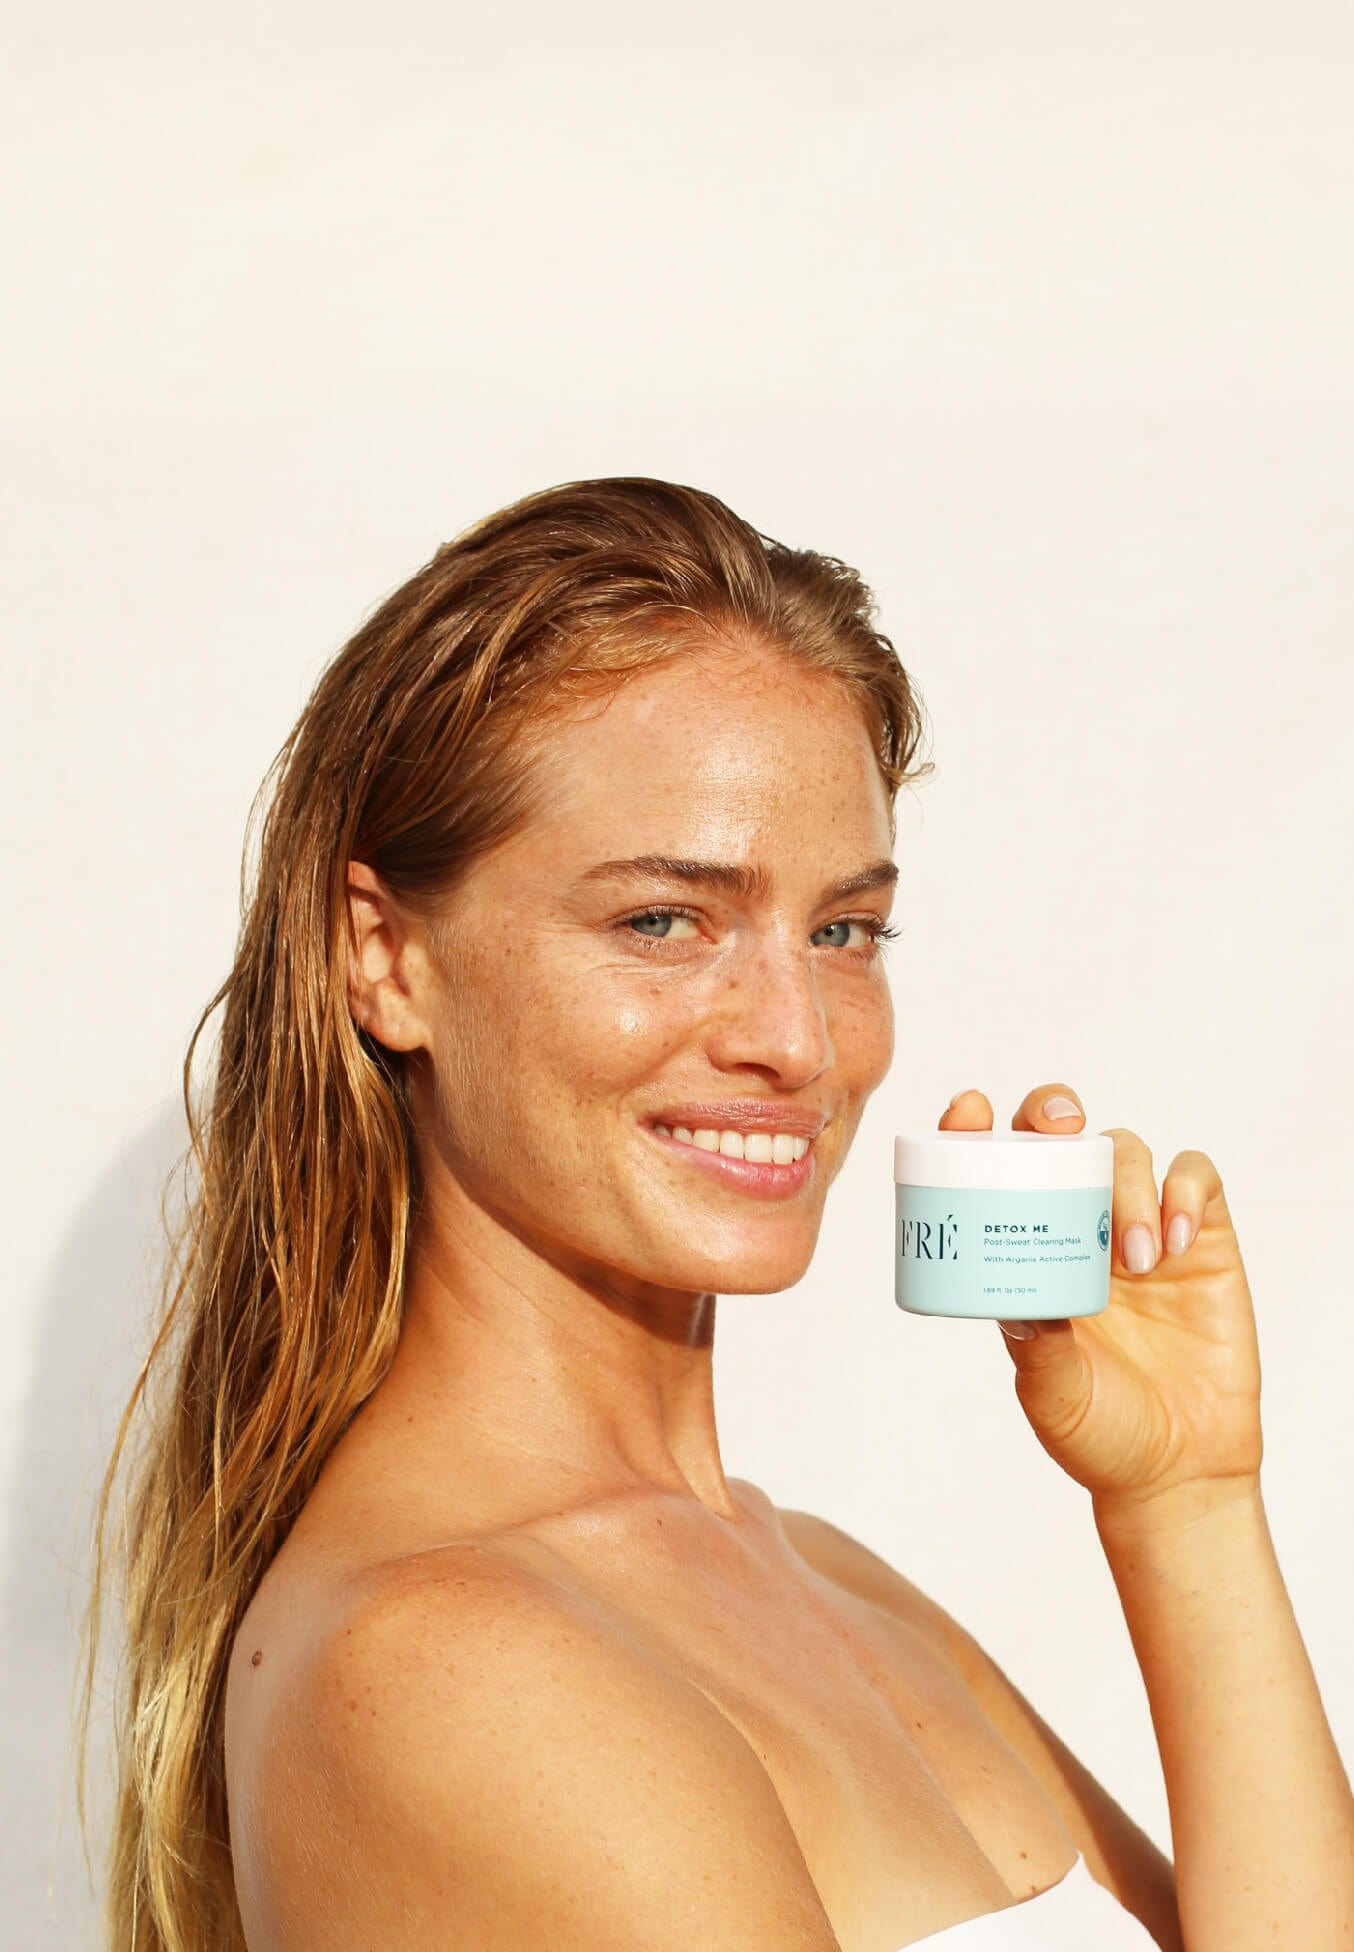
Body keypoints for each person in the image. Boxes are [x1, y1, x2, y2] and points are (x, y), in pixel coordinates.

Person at [80, 478, 1352, 1951]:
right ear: (385, 960)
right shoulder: (445, 1664)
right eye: (662, 921)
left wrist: (1186, 1504)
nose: (798, 1042)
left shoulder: (822, 1577)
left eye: (842, 930)